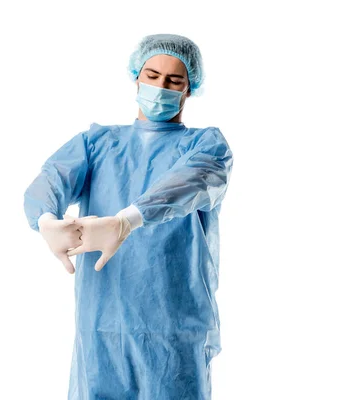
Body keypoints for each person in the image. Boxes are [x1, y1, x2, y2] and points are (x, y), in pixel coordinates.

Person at [23, 33, 233, 399]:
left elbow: (188, 182)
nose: (160, 86)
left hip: (173, 325)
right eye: (152, 75)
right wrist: (45, 221)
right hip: (101, 324)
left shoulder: (205, 145)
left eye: (174, 80)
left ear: (190, 88)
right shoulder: (97, 144)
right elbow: (50, 181)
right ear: (136, 75)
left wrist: (128, 220)